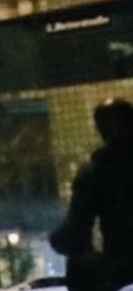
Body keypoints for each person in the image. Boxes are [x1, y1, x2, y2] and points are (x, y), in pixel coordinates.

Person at [54, 97, 133, 291]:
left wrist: (58, 240)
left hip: (124, 265)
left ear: (100, 131)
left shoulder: (97, 172)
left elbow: (75, 233)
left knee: (80, 265)